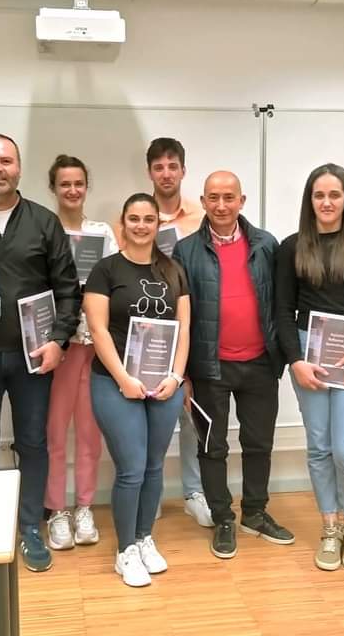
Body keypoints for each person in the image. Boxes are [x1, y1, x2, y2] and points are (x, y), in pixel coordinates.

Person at [0, 133, 81, 573]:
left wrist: (58, 340)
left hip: (33, 358)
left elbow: (68, 290)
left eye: (5, 160)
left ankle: (29, 528)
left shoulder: (44, 222)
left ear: (19, 168)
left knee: (33, 443)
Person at [172, 171, 292, 559]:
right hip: (209, 367)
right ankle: (223, 517)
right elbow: (179, 317)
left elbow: (280, 302)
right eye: (213, 197)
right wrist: (183, 373)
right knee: (212, 446)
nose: (221, 205)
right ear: (203, 202)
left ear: (242, 201)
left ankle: (255, 513)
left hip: (260, 364)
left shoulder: (267, 245)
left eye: (228, 197)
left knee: (259, 444)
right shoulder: (185, 251)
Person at [274, 163, 344, 572]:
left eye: (334, 195)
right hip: (309, 355)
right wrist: (296, 360)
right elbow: (283, 310)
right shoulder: (292, 246)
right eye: (319, 195)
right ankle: (330, 526)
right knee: (319, 446)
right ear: (310, 200)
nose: (326, 202)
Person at [84, 193, 190, 587]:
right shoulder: (105, 270)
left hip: (164, 384)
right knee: (131, 468)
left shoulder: (174, 271)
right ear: (123, 223)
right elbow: (98, 330)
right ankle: (125, 550)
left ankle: (145, 537)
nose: (141, 226)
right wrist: (124, 379)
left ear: (158, 225)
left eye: (148, 219)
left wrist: (176, 377)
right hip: (114, 383)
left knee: (153, 466)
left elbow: (184, 328)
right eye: (134, 219)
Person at [43, 154, 118, 550]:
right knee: (55, 432)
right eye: (64, 184)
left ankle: (84, 506)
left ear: (87, 187)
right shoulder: (43, 228)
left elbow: (116, 281)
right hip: (59, 346)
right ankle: (57, 510)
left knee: (89, 434)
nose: (72, 190)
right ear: (53, 188)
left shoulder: (102, 233)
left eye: (78, 183)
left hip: (95, 345)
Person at [141, 137, 212, 527]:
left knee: (191, 412)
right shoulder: (135, 216)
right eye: (158, 167)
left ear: (183, 170)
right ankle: (149, 493)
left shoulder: (202, 218)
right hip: (147, 333)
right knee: (147, 414)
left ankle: (193, 491)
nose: (166, 174)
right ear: (150, 172)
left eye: (172, 166)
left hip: (193, 326)